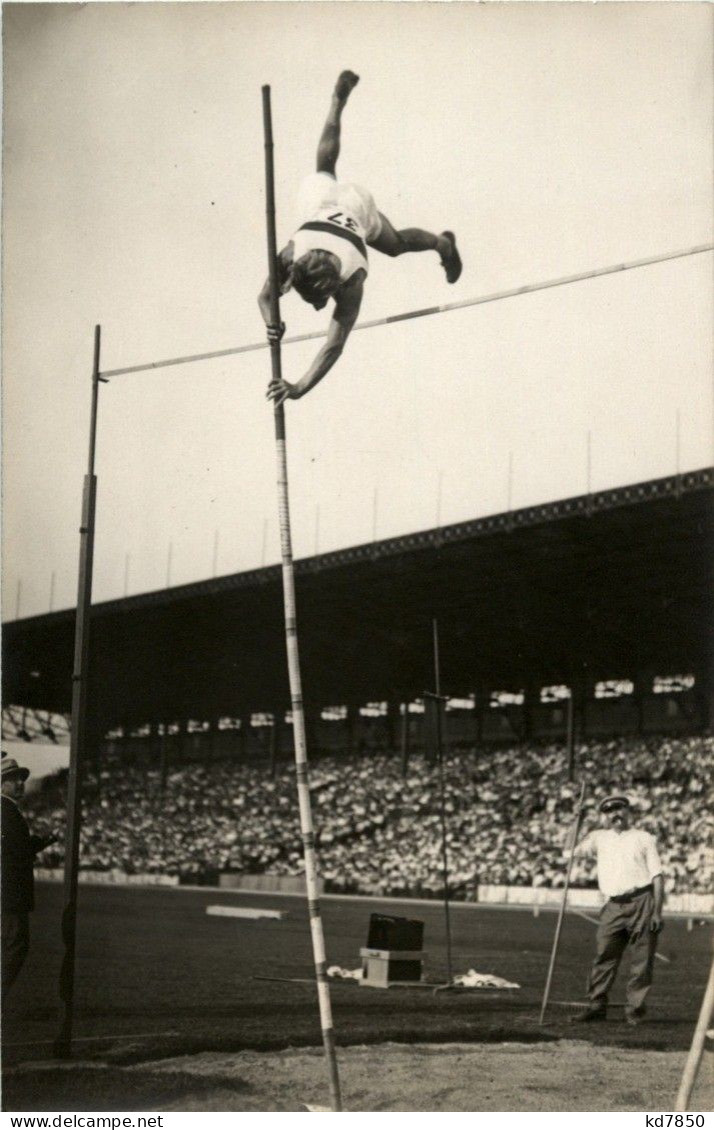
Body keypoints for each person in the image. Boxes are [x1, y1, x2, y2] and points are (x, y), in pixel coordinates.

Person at [261, 70, 462, 407]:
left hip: (352, 208)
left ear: (335, 286)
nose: (317, 308)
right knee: (324, 166)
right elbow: (267, 298)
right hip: (321, 205)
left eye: (319, 301)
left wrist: (299, 387)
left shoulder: (352, 280)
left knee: (395, 245)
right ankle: (337, 103)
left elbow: (333, 345)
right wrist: (270, 322)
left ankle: (443, 243)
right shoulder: (291, 256)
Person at [569, 794, 664, 1026]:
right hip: (612, 905)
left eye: (619, 809)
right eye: (610, 812)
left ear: (628, 812)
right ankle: (596, 1006)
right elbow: (570, 850)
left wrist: (657, 911)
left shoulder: (643, 838)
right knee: (604, 957)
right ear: (605, 816)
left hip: (642, 901)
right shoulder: (599, 838)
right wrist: (577, 821)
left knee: (641, 961)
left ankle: (634, 1011)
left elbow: (657, 877)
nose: (615, 815)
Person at [1, 755, 57, 1001]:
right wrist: (44, 840)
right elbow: (18, 848)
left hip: (8, 890)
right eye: (13, 780)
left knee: (11, 945)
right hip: (9, 891)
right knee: (16, 946)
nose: (20, 784)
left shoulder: (9, 810)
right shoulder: (6, 811)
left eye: (22, 779)